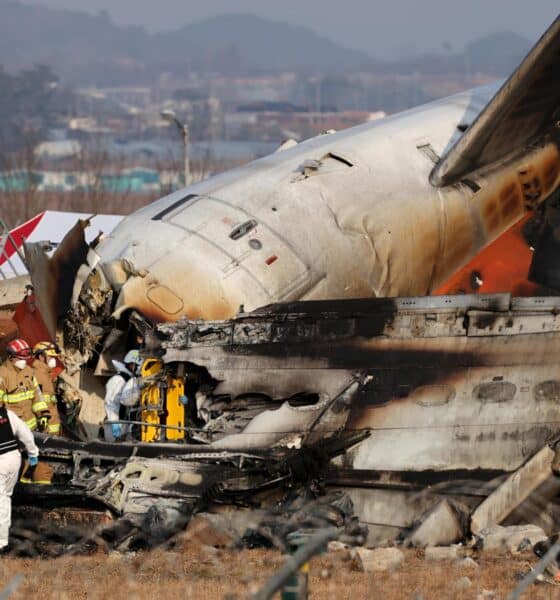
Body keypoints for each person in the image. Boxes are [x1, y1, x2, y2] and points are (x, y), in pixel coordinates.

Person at [0, 393, 39, 551]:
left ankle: (1, 542)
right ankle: (2, 539)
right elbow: (26, 434)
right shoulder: (7, 414)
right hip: (13, 458)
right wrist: (33, 453)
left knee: (1, 500)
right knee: (5, 498)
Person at [0, 339, 50, 432]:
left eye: (25, 359)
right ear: (11, 357)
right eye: (20, 359)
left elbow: (37, 396)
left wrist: (43, 414)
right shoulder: (2, 375)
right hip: (13, 430)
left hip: (32, 428)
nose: (24, 362)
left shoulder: (29, 371)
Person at [104, 349, 142, 441]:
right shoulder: (119, 379)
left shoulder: (133, 381)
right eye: (138, 365)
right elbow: (111, 402)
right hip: (116, 424)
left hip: (127, 424)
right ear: (132, 364)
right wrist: (114, 422)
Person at [32, 342, 62, 435]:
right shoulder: (36, 375)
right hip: (46, 432)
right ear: (41, 357)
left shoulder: (46, 374)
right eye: (50, 357)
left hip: (52, 430)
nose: (53, 360)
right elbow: (36, 403)